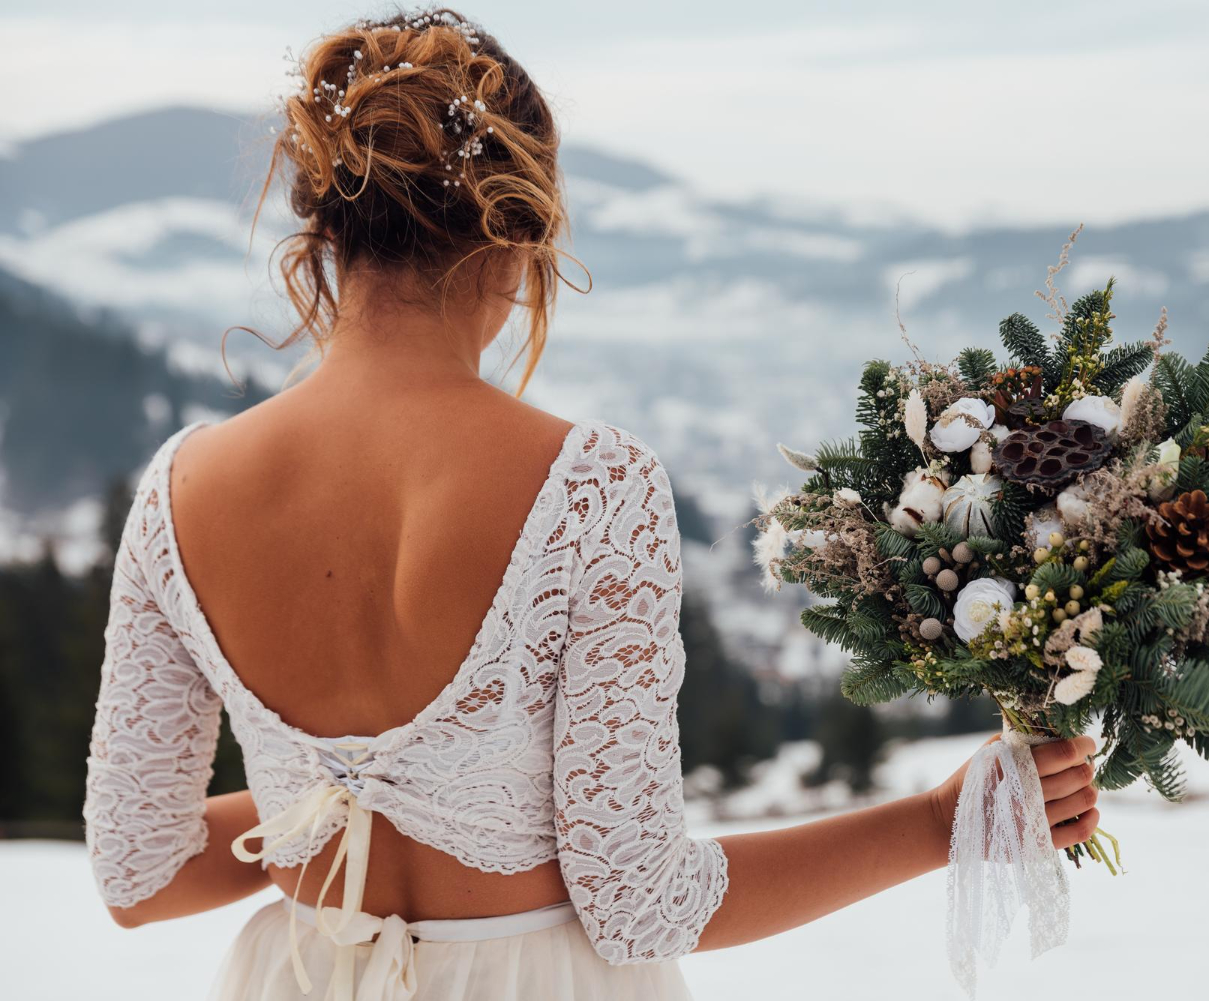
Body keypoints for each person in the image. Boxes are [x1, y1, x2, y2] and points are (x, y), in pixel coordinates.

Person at [83, 9, 1102, 999]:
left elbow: (141, 873)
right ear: (519, 231)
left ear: (324, 229)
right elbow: (641, 903)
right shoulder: (589, 485)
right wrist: (934, 823)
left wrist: (323, 804)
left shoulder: (182, 491)